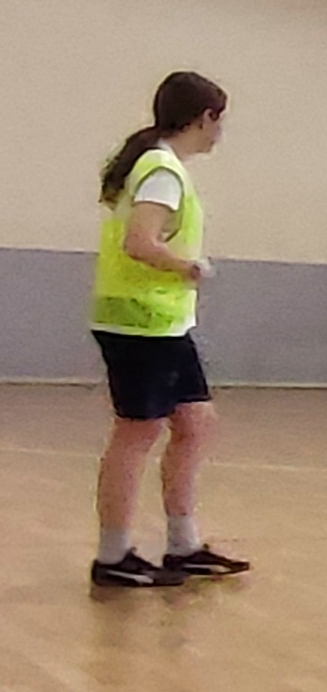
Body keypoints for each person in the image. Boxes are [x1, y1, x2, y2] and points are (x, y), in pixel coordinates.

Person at [88, 71, 248, 589]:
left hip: (164, 323)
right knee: (136, 433)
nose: (220, 132)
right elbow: (140, 242)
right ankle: (113, 554)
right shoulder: (161, 171)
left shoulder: (159, 164)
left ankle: (184, 545)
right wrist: (188, 267)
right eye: (218, 120)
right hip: (140, 321)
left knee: (196, 423)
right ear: (205, 117)